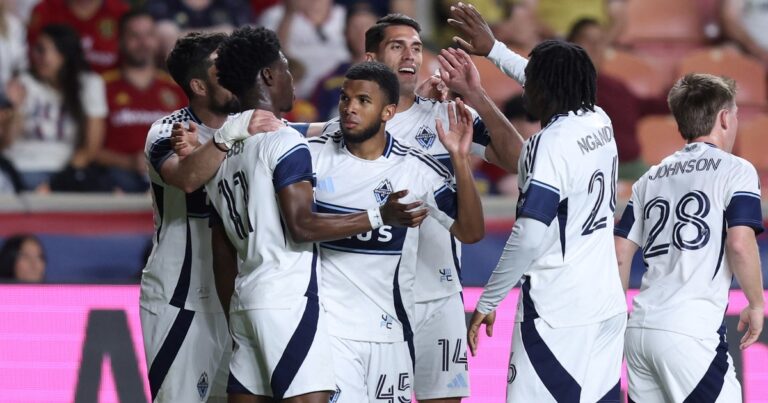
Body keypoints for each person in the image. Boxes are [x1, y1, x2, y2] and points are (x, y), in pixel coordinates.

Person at [206, 27, 428, 403]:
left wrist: (237, 310)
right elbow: (302, 225)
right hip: (286, 298)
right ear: (269, 76)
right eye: (287, 69)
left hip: (245, 298)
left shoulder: (224, 152)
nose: (294, 79)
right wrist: (380, 216)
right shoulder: (285, 142)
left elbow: (221, 249)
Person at [342, 14, 522, 402]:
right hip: (369, 298)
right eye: (397, 46)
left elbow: (519, 159)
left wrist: (477, 96)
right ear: (372, 57)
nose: (410, 56)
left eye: (417, 48)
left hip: (437, 295)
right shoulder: (349, 124)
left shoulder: (447, 113)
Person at [452, 5, 627, 402]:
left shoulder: (551, 146)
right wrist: (493, 49)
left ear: (545, 89)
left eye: (533, 81)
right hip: (606, 306)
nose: (526, 87)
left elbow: (530, 235)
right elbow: (545, 76)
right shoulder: (600, 120)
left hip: (558, 313)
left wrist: (489, 299)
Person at [308, 61, 483, 403]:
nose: (350, 108)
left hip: (392, 337)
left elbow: (471, 232)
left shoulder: (413, 169)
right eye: (345, 99)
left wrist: (460, 161)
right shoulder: (313, 158)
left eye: (362, 100)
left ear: (388, 111)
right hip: (331, 331)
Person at [614, 73, 765, 402]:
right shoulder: (737, 170)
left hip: (639, 332)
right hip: (688, 332)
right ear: (725, 118)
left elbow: (620, 255)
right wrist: (755, 303)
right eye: (735, 113)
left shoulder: (648, 178)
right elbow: (740, 243)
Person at [139, 32, 245, 403]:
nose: (235, 73)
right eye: (223, 67)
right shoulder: (167, 131)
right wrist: (226, 138)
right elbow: (185, 179)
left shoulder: (250, 127)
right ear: (198, 85)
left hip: (239, 300)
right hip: (181, 298)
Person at [2, 23, 107, 191]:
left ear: (63, 53)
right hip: (18, 167)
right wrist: (14, 108)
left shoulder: (89, 84)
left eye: (43, 50)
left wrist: (55, 184)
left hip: (64, 170)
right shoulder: (24, 83)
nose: (36, 56)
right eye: (36, 49)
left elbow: (90, 148)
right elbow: (6, 143)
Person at [95, 9, 186, 193]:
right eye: (134, 36)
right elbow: (90, 150)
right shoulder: (102, 86)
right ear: (120, 41)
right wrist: (129, 162)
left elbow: (195, 142)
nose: (143, 43)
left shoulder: (176, 88)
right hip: (117, 177)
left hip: (169, 176)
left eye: (149, 35)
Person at [567, 17, 668, 180]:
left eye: (600, 41)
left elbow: (647, 105)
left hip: (630, 167)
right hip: (586, 169)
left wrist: (686, 95)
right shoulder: (560, 85)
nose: (595, 47)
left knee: (669, 187)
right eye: (588, 40)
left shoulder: (616, 86)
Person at [310, 5, 378, 121]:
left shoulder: (395, 79)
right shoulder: (328, 83)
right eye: (355, 27)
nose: (362, 33)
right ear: (345, 33)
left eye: (367, 27)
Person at [27, 0, 130, 73]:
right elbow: (31, 56)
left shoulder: (120, 12)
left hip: (111, 92)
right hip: (54, 89)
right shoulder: (46, 9)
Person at [722, 0, 768, 65]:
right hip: (749, 48)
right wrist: (758, 51)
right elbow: (730, 19)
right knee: (729, 51)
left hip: (761, 52)